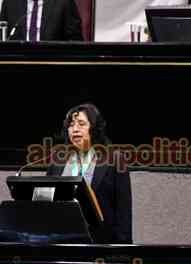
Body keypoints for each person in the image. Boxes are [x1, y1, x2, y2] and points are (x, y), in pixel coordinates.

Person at [47, 103, 132, 243]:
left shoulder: (114, 160)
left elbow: (123, 211)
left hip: (100, 242)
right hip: (61, 240)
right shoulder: (58, 160)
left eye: (81, 124)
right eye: (71, 125)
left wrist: (123, 249)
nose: (75, 129)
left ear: (94, 128)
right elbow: (47, 203)